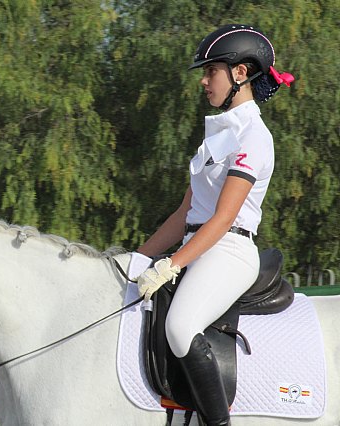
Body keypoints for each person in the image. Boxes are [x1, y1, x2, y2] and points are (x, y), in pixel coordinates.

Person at [135, 24, 294, 425]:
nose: (204, 81)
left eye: (211, 71)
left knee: (180, 327)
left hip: (229, 251)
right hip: (199, 245)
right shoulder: (218, 137)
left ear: (240, 73)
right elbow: (183, 216)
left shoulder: (254, 137)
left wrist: (171, 265)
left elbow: (223, 218)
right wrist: (136, 258)